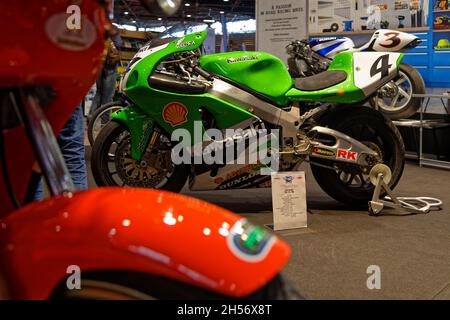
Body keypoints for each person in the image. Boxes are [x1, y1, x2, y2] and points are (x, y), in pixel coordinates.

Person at [88, 26, 122, 119]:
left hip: (99, 64)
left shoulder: (97, 28)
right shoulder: (112, 29)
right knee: (108, 97)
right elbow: (118, 44)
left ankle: (91, 117)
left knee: (99, 92)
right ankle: (105, 122)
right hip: (110, 66)